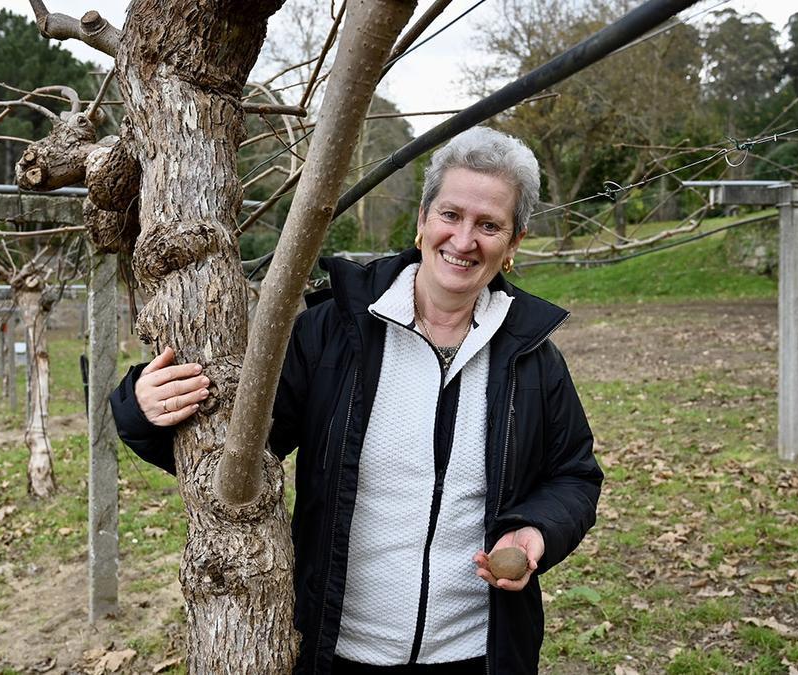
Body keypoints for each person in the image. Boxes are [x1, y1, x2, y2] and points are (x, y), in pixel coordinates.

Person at [110, 127, 602, 674]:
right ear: (421, 221)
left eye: (489, 225)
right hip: (339, 649)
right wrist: (143, 408)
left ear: (512, 245)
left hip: (478, 653)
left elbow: (574, 477)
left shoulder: (532, 354)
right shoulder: (332, 334)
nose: (464, 241)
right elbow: (240, 449)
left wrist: (535, 531)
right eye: (450, 215)